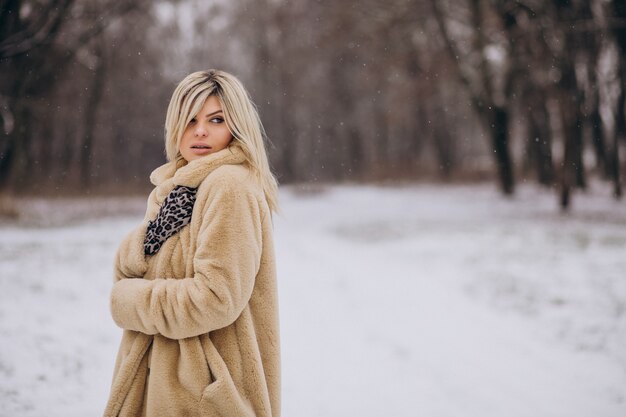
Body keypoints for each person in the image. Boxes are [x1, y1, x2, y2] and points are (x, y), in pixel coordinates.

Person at [103, 70, 281, 417]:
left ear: (236, 127)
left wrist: (130, 300)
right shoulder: (176, 191)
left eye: (216, 119)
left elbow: (216, 298)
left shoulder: (229, 185)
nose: (200, 130)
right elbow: (137, 267)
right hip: (165, 385)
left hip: (203, 394)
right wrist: (146, 241)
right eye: (190, 119)